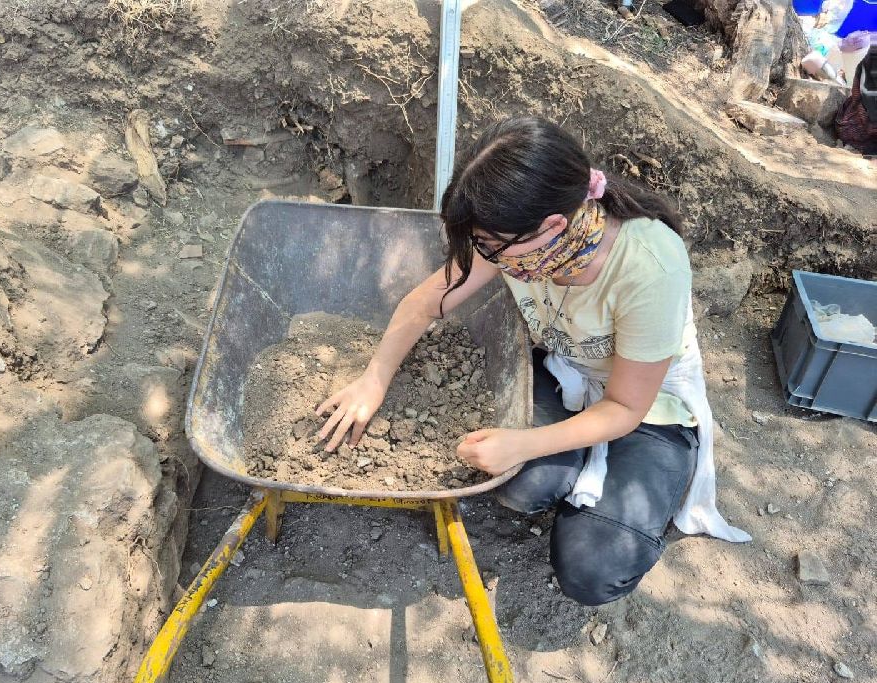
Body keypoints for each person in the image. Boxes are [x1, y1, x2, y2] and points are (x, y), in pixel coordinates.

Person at [315, 118, 750, 606]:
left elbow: (626, 406)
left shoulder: (650, 265)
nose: (484, 253)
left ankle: (633, 493)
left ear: (553, 226)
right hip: (566, 372)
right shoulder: (518, 237)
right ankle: (568, 474)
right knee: (522, 487)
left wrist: (524, 442)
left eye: (490, 244)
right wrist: (373, 379)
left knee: (592, 571)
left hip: (647, 407)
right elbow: (426, 303)